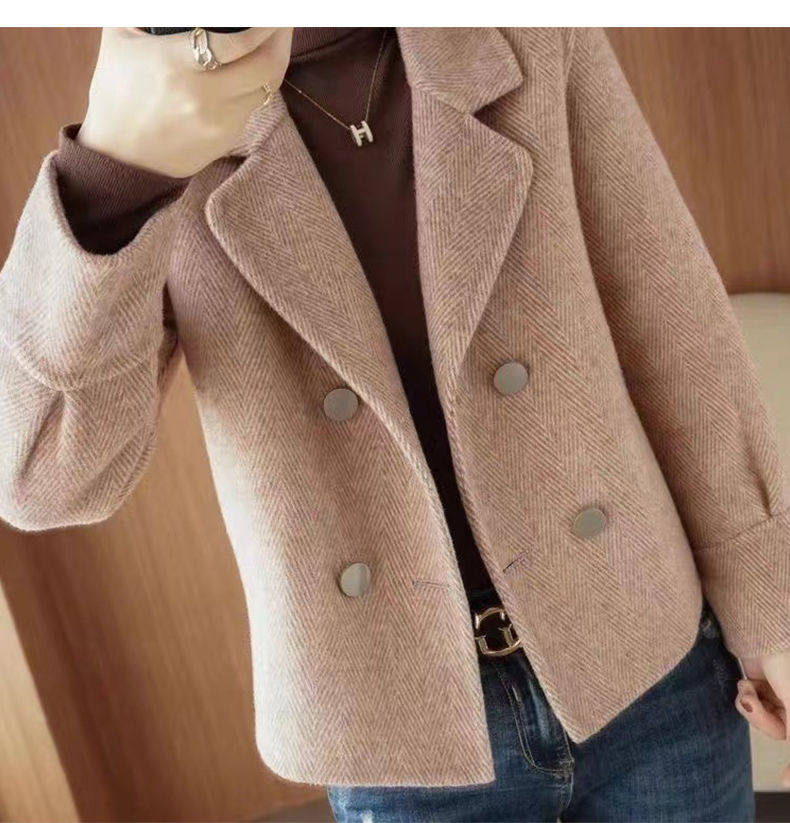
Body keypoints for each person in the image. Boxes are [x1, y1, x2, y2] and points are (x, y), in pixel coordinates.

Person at [1, 26, 788, 822]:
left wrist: (774, 611)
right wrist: (113, 174)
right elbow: (41, 478)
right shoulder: (159, 115)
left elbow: (673, 328)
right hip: (402, 734)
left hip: (646, 662)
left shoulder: (521, 31)